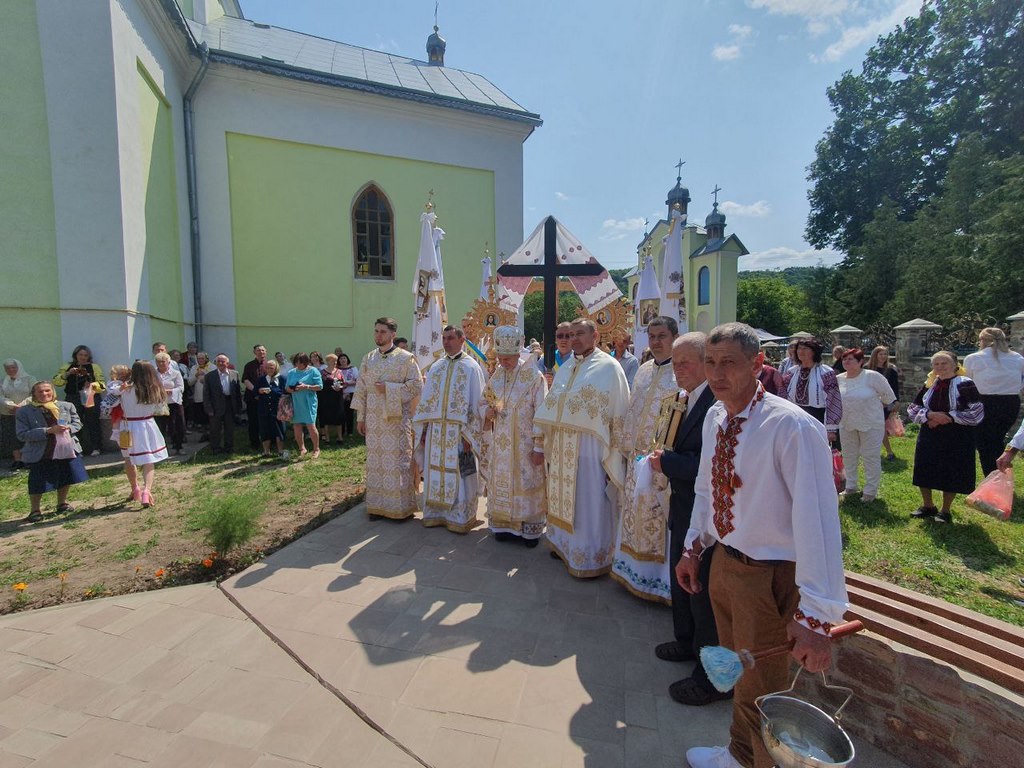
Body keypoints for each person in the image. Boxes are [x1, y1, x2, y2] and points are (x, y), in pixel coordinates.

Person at [678, 323, 848, 768]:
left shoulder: (791, 427)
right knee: (739, 672)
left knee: (762, 684)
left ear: (758, 364)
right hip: (727, 564)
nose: (716, 374)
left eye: (728, 363)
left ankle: (757, 761)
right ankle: (738, 753)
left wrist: (816, 615)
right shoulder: (717, 415)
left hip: (770, 574)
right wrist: (694, 547)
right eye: (710, 363)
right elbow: (705, 488)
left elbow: (818, 523)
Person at [650, 332, 725, 707]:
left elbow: (708, 466)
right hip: (683, 504)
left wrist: (664, 462)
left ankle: (708, 674)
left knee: (703, 590)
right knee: (682, 576)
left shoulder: (716, 403)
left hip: (707, 513)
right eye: (675, 363)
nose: (678, 370)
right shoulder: (686, 398)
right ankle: (685, 640)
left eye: (685, 363)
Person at [533, 318, 630, 577]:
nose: (574, 339)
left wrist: (617, 451)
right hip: (563, 444)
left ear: (595, 336)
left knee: (588, 500)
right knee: (563, 496)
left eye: (580, 334)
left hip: (591, 448)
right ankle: (563, 544)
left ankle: (589, 555)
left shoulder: (609, 367)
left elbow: (619, 411)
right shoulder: (566, 367)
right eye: (571, 334)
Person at [611, 316, 679, 602]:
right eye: (651, 336)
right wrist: (625, 447)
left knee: (658, 520)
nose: (656, 341)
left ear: (675, 336)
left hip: (662, 465)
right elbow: (632, 411)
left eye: (662, 335)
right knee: (632, 514)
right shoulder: (643, 370)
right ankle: (631, 571)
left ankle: (657, 582)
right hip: (636, 458)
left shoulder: (682, 373)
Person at [479, 325, 548, 546]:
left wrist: (539, 447)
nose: (504, 363)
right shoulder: (497, 376)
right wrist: (487, 412)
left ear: (519, 353)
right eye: (501, 358)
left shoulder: (534, 377)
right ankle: (504, 526)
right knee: (502, 485)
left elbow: (542, 413)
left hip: (524, 447)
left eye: (508, 358)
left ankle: (530, 531)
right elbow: (484, 402)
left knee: (527, 484)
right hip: (501, 449)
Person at [413, 325, 486, 532]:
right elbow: (427, 401)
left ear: (462, 340)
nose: (446, 342)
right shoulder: (437, 367)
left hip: (459, 433)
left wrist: (469, 436)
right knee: (436, 473)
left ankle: (460, 517)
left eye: (451, 338)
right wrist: (425, 431)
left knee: (460, 474)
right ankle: (436, 514)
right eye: (444, 338)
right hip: (436, 432)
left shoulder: (471, 367)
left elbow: (477, 403)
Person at [352, 317, 423, 519]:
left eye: (382, 332)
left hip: (396, 422)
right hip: (374, 423)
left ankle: (400, 508)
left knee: (397, 463)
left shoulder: (406, 358)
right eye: (376, 331)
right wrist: (361, 418)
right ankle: (376, 506)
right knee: (376, 463)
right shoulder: (368, 359)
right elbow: (361, 390)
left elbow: (416, 386)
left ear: (392, 334)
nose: (378, 335)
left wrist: (391, 389)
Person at [908, 351, 984, 523]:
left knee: (952, 469)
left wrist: (947, 417)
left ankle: (945, 510)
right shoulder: (930, 384)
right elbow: (912, 408)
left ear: (955, 365)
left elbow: (976, 412)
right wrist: (930, 415)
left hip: (957, 434)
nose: (940, 367)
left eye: (944, 363)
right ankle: (928, 505)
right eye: (936, 364)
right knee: (925, 466)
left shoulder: (965, 384)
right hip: (930, 432)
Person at [16, 381, 88, 522]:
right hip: (42, 452)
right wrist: (48, 431)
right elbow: (22, 434)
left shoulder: (66, 406)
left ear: (53, 391)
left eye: (47, 391)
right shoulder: (24, 411)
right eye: (40, 392)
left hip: (66, 449)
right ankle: (35, 510)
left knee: (65, 475)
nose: (44, 394)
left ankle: (62, 503)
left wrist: (68, 428)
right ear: (34, 394)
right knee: (38, 481)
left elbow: (77, 423)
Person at [836, 348, 896, 503]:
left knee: (870, 456)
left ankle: (870, 490)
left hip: (870, 423)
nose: (847, 362)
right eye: (844, 359)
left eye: (851, 359)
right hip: (846, 423)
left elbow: (889, 398)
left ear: (861, 361)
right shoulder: (838, 379)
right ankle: (851, 485)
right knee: (849, 455)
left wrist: (874, 407)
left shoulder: (872, 377)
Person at [964, 327, 1024, 476]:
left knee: (984, 443)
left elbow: (967, 383)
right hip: (1010, 403)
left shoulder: (973, 358)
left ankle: (992, 479)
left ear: (982, 341)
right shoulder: (1017, 358)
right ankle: (999, 474)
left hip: (984, 402)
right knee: (996, 439)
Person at [117, 362, 169, 507]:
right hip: (147, 424)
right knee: (148, 459)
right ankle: (147, 490)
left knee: (128, 458)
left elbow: (107, 404)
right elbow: (160, 408)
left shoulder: (124, 389)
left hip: (128, 425)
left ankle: (135, 488)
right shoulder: (155, 389)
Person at [781, 337, 842, 439]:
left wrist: (830, 428)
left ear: (814, 351)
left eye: (805, 348)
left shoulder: (826, 373)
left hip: (817, 417)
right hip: (795, 416)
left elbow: (833, 401)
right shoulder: (791, 373)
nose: (801, 351)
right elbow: (782, 396)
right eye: (799, 348)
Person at [53, 345, 106, 456]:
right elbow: (56, 382)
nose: (83, 357)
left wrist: (92, 385)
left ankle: (96, 448)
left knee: (93, 422)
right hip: (73, 397)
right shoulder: (67, 366)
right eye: (80, 355)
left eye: (85, 355)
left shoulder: (94, 367)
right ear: (75, 355)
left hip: (91, 397)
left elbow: (102, 385)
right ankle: (77, 449)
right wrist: (68, 373)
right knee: (74, 422)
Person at [867, 345, 901, 460]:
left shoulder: (891, 369)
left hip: (886, 402)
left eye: (885, 354)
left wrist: (896, 401)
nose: (883, 356)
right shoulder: (867, 369)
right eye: (881, 354)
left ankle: (889, 452)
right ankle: (874, 451)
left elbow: (895, 387)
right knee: (873, 427)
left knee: (880, 426)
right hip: (870, 402)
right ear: (875, 355)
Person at [203, 354, 243, 454]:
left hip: (230, 404)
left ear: (227, 363)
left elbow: (237, 392)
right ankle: (215, 448)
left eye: (223, 361)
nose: (220, 363)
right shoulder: (209, 376)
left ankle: (229, 448)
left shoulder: (235, 374)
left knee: (229, 428)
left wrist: (239, 407)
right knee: (215, 429)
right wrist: (209, 409)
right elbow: (206, 394)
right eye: (218, 361)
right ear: (216, 363)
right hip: (215, 405)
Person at [286, 353, 323, 458]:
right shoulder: (291, 372)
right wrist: (293, 388)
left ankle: (316, 449)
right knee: (297, 425)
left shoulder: (313, 371)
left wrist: (306, 386)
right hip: (296, 402)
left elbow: (320, 386)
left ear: (306, 362)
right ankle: (302, 448)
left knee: (310, 425)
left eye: (301, 363)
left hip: (309, 402)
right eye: (296, 362)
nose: (299, 365)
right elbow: (287, 388)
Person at [1, 359, 36, 470]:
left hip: (27, 411)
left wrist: (21, 406)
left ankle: (28, 459)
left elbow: (35, 394)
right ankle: (18, 460)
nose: (11, 370)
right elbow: (1, 396)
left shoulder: (30, 379)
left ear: (19, 367)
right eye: (7, 368)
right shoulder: (3, 381)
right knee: (11, 436)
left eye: (13, 367)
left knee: (27, 434)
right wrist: (11, 405)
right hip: (8, 412)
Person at [154, 352, 185, 455]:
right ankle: (162, 449)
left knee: (177, 425)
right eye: (158, 362)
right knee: (160, 426)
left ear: (168, 362)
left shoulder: (175, 373)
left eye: (163, 362)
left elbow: (181, 387)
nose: (161, 364)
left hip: (174, 402)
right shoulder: (153, 374)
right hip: (159, 403)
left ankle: (178, 446)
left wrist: (171, 391)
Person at [256, 357, 288, 457]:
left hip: (278, 409)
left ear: (276, 368)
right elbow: (254, 392)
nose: (269, 370)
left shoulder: (282, 378)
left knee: (279, 430)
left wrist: (276, 392)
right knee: (265, 430)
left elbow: (286, 391)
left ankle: (280, 451)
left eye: (272, 368)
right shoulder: (261, 379)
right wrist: (259, 391)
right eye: (268, 368)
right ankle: (266, 452)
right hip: (264, 409)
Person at [241, 345, 267, 451]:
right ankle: (254, 443)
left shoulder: (270, 364)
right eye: (258, 350)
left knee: (267, 421)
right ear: (254, 352)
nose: (260, 352)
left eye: (262, 350)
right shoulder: (249, 365)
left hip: (267, 398)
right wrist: (256, 392)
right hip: (252, 398)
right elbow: (246, 380)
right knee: (253, 421)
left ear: (266, 352)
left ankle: (269, 441)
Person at [318, 353, 346, 445]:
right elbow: (321, 386)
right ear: (328, 361)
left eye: (335, 360)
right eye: (333, 360)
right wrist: (331, 388)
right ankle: (327, 438)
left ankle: (340, 438)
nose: (335, 362)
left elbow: (343, 383)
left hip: (338, 398)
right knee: (326, 418)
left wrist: (340, 387)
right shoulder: (322, 372)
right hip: (326, 398)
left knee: (339, 417)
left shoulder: (339, 371)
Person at [188, 352, 213, 441]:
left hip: (210, 397)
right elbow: (189, 382)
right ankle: (204, 434)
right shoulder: (194, 368)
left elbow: (215, 380)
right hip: (198, 397)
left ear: (206, 358)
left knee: (210, 417)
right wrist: (196, 375)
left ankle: (212, 435)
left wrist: (205, 375)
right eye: (198, 359)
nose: (200, 360)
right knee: (201, 417)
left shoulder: (212, 367)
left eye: (202, 358)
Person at [338, 353, 358, 438]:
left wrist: (348, 383)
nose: (343, 360)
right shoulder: (337, 370)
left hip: (350, 393)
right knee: (341, 413)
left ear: (347, 359)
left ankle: (350, 432)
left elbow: (358, 381)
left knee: (350, 413)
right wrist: (341, 385)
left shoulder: (353, 369)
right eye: (341, 358)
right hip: (340, 394)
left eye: (344, 358)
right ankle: (341, 432)